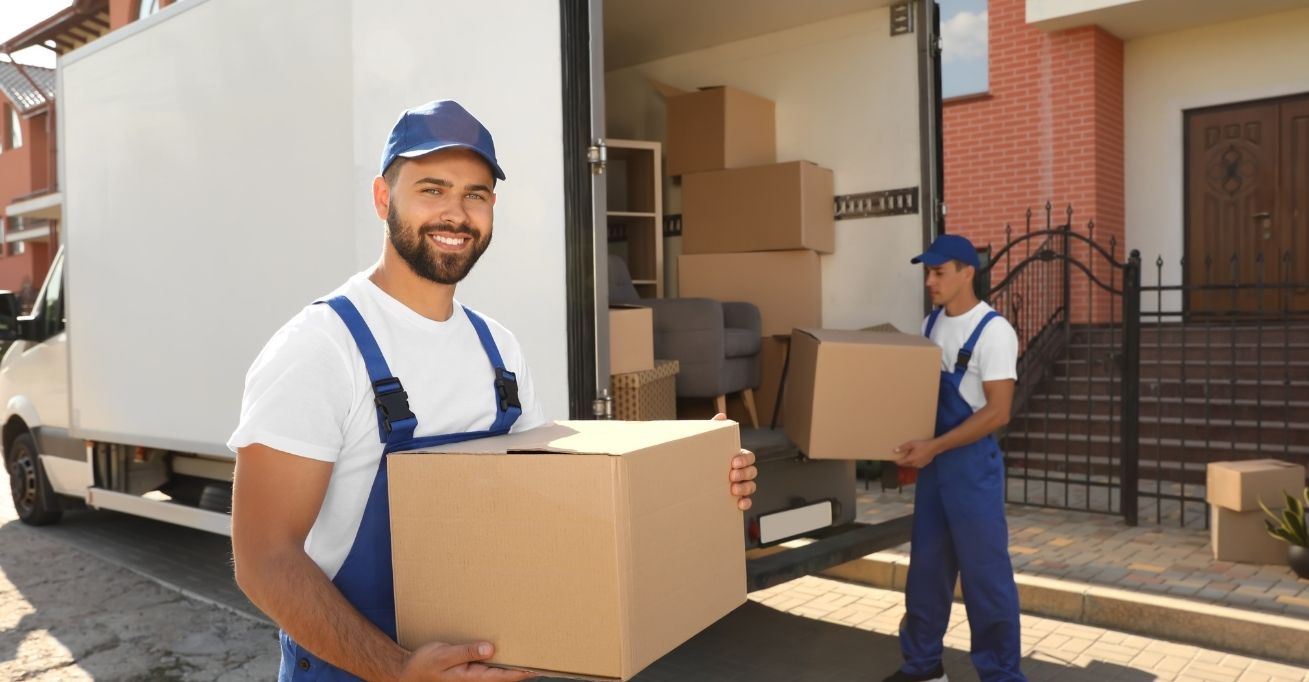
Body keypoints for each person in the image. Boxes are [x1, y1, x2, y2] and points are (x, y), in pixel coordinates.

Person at [229, 100, 759, 682]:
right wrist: (398, 670)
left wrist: (694, 477)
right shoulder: (322, 348)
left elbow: (549, 501)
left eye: (475, 195)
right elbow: (264, 559)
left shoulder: (497, 348)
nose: (456, 214)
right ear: (384, 199)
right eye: (432, 189)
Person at [883, 234, 1026, 682]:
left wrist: (935, 447)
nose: (930, 281)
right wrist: (907, 442)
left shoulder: (995, 331)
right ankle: (923, 668)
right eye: (928, 272)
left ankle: (1001, 676)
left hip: (972, 470)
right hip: (934, 467)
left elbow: (999, 412)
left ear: (968, 272)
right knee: (926, 573)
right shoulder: (930, 326)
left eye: (939, 272)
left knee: (986, 580)